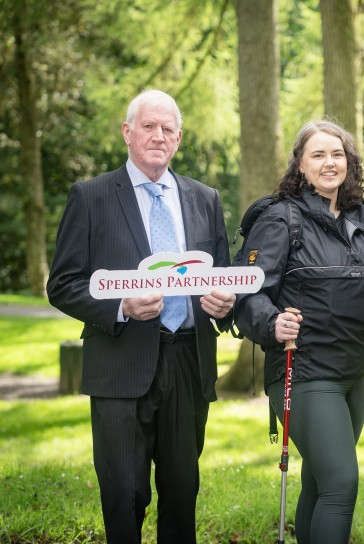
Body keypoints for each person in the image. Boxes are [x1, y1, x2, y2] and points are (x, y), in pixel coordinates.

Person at [47, 89, 236, 544]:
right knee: (125, 494)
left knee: (181, 492)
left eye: (168, 129)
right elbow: (63, 284)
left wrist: (223, 304)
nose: (158, 136)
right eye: (148, 126)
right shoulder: (90, 197)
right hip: (120, 365)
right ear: (127, 132)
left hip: (187, 364)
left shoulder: (203, 198)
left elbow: (222, 278)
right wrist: (120, 306)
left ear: (179, 138)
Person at [234, 120, 364, 544]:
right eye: (319, 155)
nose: (330, 163)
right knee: (341, 485)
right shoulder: (279, 219)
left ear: (350, 162)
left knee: (320, 483)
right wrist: (272, 323)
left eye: (338, 154)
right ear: (300, 166)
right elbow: (247, 292)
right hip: (303, 372)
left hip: (356, 372)